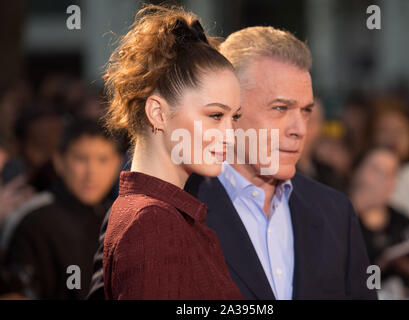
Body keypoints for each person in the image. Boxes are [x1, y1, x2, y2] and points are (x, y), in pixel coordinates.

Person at [89, 24, 376, 300]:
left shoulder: (335, 212)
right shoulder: (161, 212)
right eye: (280, 108)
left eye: (306, 111)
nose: (299, 128)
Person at [101, 5, 243, 300]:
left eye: (235, 118)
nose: (231, 135)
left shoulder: (158, 215)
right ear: (158, 113)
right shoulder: (152, 223)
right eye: (216, 116)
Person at [0, 117, 122, 299]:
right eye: (81, 159)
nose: (91, 172)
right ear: (59, 161)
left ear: (117, 164)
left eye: (103, 160)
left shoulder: (116, 215)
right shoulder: (35, 218)